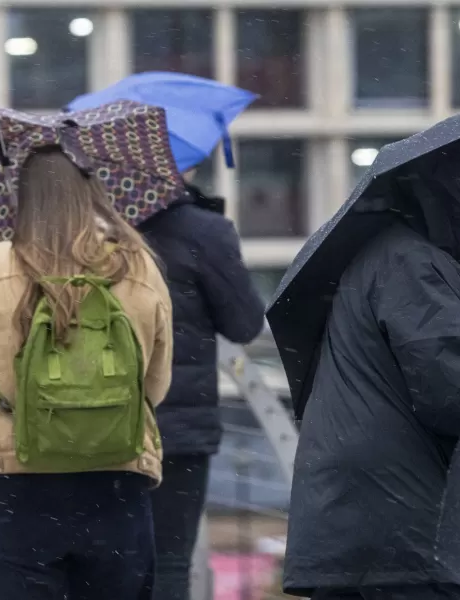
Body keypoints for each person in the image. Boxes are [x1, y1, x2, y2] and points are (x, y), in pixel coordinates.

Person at [281, 136, 460, 600]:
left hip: (370, 530)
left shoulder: (410, 256)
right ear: (448, 189)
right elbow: (458, 398)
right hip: (398, 533)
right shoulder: (415, 264)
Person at [0, 149, 174, 600]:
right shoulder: (136, 264)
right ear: (92, 192)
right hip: (114, 475)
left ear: (24, 199)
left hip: (15, 479)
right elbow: (154, 381)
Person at [137, 165, 266, 600]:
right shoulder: (202, 230)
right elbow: (245, 323)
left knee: (109, 560)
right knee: (170, 563)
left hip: (105, 422)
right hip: (180, 429)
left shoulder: (98, 228)